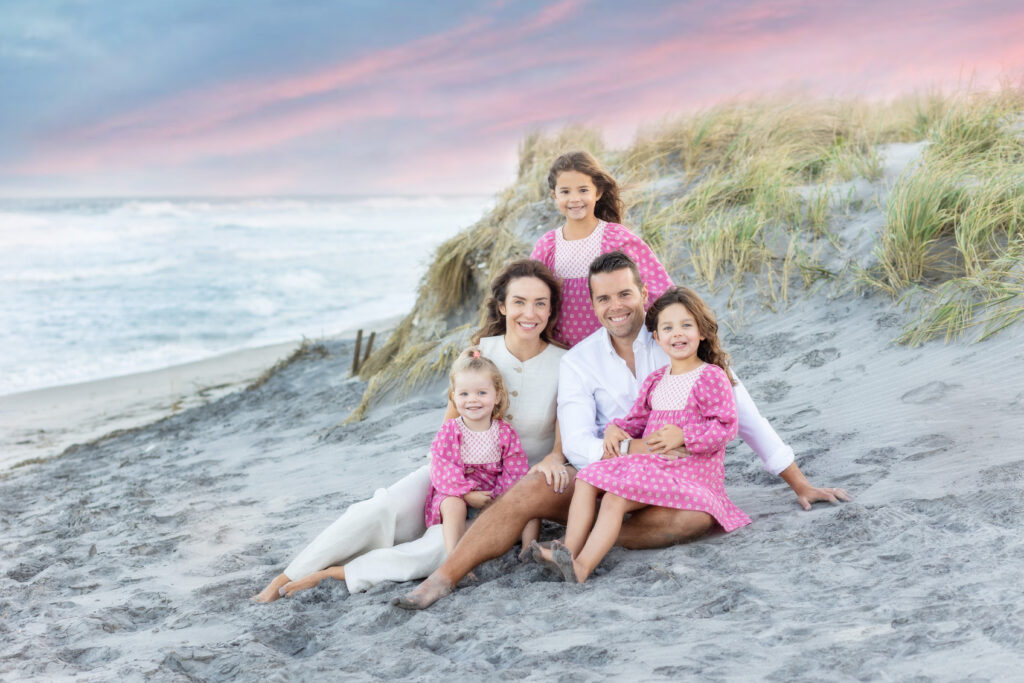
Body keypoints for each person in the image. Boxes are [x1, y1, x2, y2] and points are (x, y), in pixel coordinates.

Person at [394, 252, 850, 609]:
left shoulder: (676, 338)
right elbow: (576, 442)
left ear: (643, 292)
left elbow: (743, 417)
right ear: (592, 304)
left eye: (625, 294)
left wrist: (800, 484)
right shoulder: (580, 361)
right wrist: (635, 450)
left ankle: (574, 541)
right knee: (532, 487)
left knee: (698, 519)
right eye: (604, 298)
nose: (616, 307)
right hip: (604, 474)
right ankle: (443, 578)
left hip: (676, 482)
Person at [253, 259, 568, 602]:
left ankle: (335, 573)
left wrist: (553, 458)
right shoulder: (479, 354)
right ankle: (287, 575)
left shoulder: (566, 362)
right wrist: (456, 489)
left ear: (551, 311)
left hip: (510, 490)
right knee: (378, 509)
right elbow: (448, 431)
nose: (529, 312)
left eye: (540, 303)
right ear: (503, 306)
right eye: (519, 301)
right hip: (453, 473)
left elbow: (563, 438)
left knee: (435, 550)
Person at [533, 287, 747, 583]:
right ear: (657, 339)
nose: (678, 334)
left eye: (686, 325)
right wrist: (613, 429)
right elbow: (635, 421)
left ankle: (581, 568)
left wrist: (684, 435)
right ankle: (568, 552)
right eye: (668, 328)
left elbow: (726, 427)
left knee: (615, 497)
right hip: (657, 464)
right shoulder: (657, 380)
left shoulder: (710, 376)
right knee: (585, 478)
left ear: (701, 332)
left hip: (691, 470)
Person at [530, 150, 673, 347]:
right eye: (565, 192)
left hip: (616, 348)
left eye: (583, 190)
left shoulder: (617, 239)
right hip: (563, 350)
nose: (574, 199)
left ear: (597, 192)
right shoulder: (547, 246)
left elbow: (660, 292)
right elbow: (528, 296)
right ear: (554, 195)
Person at [426, 348, 530, 555]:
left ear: (497, 395)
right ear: (454, 397)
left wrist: (499, 497)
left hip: (495, 494)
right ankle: (455, 556)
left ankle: (528, 551)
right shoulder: (451, 430)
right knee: (453, 505)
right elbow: (441, 466)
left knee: (529, 503)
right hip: (457, 492)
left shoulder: (504, 432)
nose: (472, 399)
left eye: (481, 393)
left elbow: (515, 468)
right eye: (464, 394)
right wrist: (466, 494)